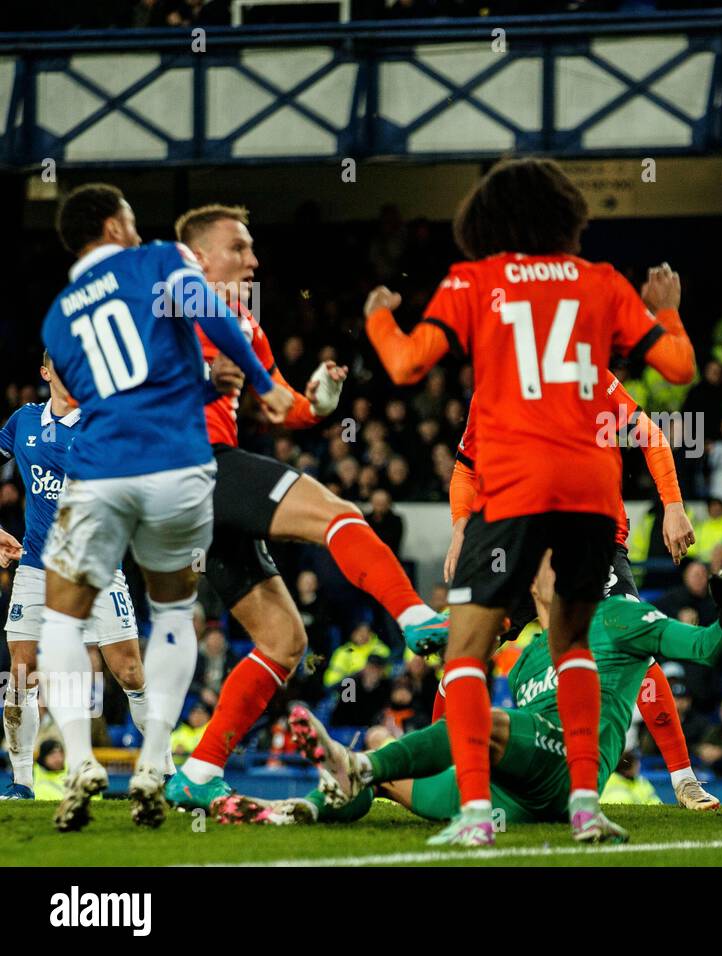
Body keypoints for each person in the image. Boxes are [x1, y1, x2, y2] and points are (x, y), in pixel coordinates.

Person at [363, 157, 695, 846]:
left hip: (515, 493)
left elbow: (403, 365)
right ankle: (582, 805)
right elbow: (679, 369)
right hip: (590, 501)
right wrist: (666, 309)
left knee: (466, 652)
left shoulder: (474, 281)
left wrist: (377, 321)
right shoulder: (601, 284)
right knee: (572, 643)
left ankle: (478, 816)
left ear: (487, 221)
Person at [164, 204, 445, 811]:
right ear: (199, 256)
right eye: (238, 248)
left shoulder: (241, 320)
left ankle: (199, 771)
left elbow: (279, 403)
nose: (253, 259)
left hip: (201, 493)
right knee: (337, 512)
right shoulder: (163, 308)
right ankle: (415, 616)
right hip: (191, 466)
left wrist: (319, 400)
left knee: (285, 642)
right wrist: (194, 377)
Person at [38, 183, 292, 831]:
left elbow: (104, 393)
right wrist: (259, 384)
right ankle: (154, 762)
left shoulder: (58, 315)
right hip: (178, 466)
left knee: (63, 620)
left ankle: (78, 762)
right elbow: (208, 313)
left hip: (99, 474)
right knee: (173, 609)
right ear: (116, 223)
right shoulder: (155, 259)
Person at [211, 563, 722, 833]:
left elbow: (708, 649)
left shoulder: (621, 615)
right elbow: (456, 720)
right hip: (514, 783)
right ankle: (304, 807)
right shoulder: (526, 656)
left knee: (483, 720)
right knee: (383, 744)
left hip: (569, 766)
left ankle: (352, 763)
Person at [434, 384, 714, 811]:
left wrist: (673, 505)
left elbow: (650, 435)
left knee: (633, 639)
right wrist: (459, 528)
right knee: (465, 644)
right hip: (518, 542)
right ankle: (440, 772)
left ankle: (683, 779)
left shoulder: (589, 374)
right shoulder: (493, 387)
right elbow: (466, 468)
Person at [0, 355, 163, 800]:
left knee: (129, 670)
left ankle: (163, 770)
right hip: (36, 568)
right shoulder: (22, 423)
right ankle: (21, 783)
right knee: (18, 674)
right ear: (46, 372)